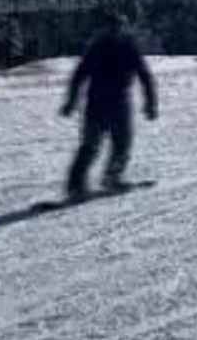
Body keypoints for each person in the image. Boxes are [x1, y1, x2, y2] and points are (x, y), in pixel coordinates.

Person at [59, 12, 157, 200]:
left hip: (98, 104)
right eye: (114, 27)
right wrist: (151, 104)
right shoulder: (125, 47)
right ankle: (109, 177)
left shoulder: (98, 47)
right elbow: (145, 77)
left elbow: (78, 77)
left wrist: (71, 102)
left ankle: (78, 184)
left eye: (116, 27)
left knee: (91, 146)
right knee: (119, 143)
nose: (114, 30)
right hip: (116, 105)